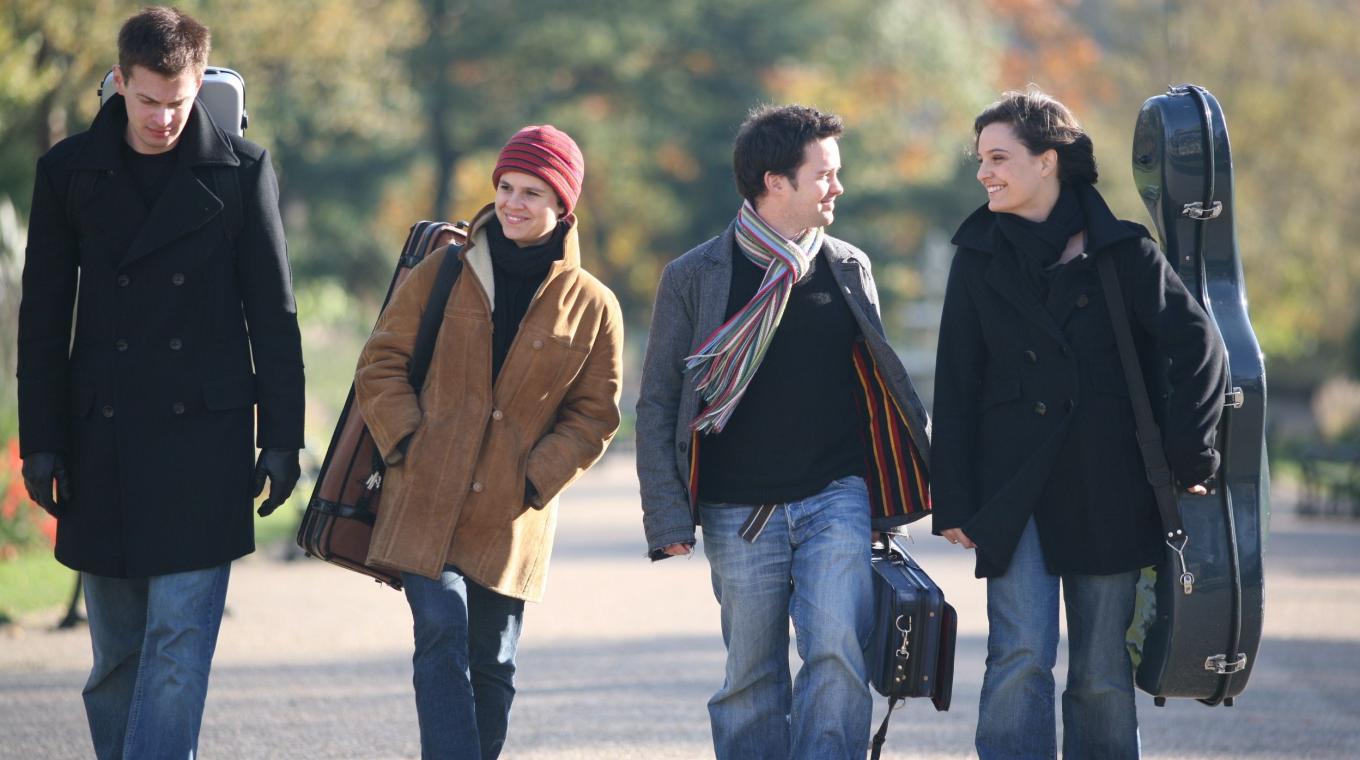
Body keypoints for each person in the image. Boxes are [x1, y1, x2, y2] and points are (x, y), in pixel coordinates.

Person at [16, 6, 304, 758]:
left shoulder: (244, 171)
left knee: (176, 652)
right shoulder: (68, 172)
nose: (164, 118)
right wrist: (41, 444)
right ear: (120, 82)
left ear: (201, 81)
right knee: (117, 660)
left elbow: (273, 318)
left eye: (179, 101)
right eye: (148, 100)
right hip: (99, 443)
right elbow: (43, 321)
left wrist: (281, 441)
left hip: (201, 444)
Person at [931, 88, 1227, 759]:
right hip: (1014, 491)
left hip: (1109, 487)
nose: (985, 173)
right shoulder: (975, 256)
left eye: (999, 157)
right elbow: (954, 384)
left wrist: (1188, 459)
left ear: (1049, 161)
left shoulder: (1124, 252)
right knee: (1020, 654)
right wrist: (952, 497)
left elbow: (1202, 350)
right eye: (981, 159)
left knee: (1099, 672)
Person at [636, 104, 931, 760]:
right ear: (775, 182)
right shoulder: (693, 277)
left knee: (837, 654)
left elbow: (883, 390)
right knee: (751, 675)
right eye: (824, 175)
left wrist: (907, 494)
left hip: (837, 496)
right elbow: (658, 403)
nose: (838, 188)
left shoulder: (849, 266)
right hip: (739, 511)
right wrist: (666, 518)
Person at [353, 124, 623, 760]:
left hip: (510, 514)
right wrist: (408, 442)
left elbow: (595, 414)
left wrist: (535, 477)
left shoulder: (593, 306)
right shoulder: (443, 270)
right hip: (425, 493)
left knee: (494, 659)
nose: (513, 203)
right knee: (441, 628)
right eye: (505, 187)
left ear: (563, 206)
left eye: (533, 191)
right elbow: (381, 362)